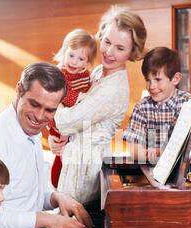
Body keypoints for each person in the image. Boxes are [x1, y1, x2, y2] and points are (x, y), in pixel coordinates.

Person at [0, 62, 93, 228]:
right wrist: (48, 220)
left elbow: (29, 195)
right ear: (19, 90)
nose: (40, 117)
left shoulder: (30, 131)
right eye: (35, 104)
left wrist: (57, 198)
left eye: (50, 110)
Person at [50, 6, 147, 204]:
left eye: (120, 48)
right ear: (101, 36)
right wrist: (58, 138)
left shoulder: (113, 88)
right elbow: (71, 120)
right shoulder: (98, 72)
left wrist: (53, 106)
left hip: (85, 170)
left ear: (131, 52)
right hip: (74, 160)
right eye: (107, 42)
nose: (109, 52)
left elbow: (67, 121)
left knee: (73, 227)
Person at [123, 47, 191, 163]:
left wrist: (177, 153)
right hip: (152, 171)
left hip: (184, 172)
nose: (151, 86)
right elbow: (134, 150)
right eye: (148, 80)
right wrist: (152, 155)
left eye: (158, 79)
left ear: (175, 79)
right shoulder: (142, 107)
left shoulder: (189, 102)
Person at [49, 28, 97, 188]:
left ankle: (63, 179)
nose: (74, 61)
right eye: (71, 55)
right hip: (57, 121)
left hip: (75, 123)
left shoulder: (85, 75)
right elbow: (62, 95)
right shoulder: (59, 73)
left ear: (87, 61)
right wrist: (82, 97)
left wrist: (91, 90)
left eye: (81, 58)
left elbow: (88, 90)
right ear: (64, 52)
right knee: (60, 150)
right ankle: (57, 181)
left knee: (69, 154)